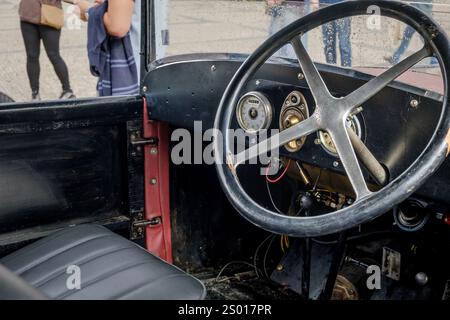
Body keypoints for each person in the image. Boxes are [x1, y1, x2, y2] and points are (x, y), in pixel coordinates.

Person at [19, 0, 75, 101]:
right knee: (32, 56)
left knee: (53, 55)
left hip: (51, 14)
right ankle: (35, 94)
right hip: (28, 14)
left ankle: (68, 91)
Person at [385, 0, 434, 64]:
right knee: (407, 37)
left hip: (421, 17)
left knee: (427, 40)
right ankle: (395, 58)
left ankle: (434, 60)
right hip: (418, 17)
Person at [320, 0, 352, 67]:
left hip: (344, 6)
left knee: (344, 44)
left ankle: (347, 72)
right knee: (329, 46)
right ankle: (331, 70)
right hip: (325, 6)